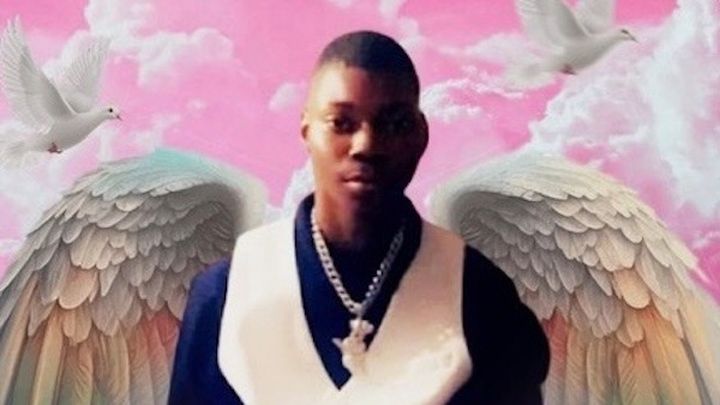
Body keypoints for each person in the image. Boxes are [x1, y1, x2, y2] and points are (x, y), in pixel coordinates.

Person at [169, 31, 549, 404]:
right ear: (307, 131)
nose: (366, 145)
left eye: (393, 124)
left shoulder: (481, 296)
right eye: (341, 123)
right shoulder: (228, 293)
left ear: (420, 135)